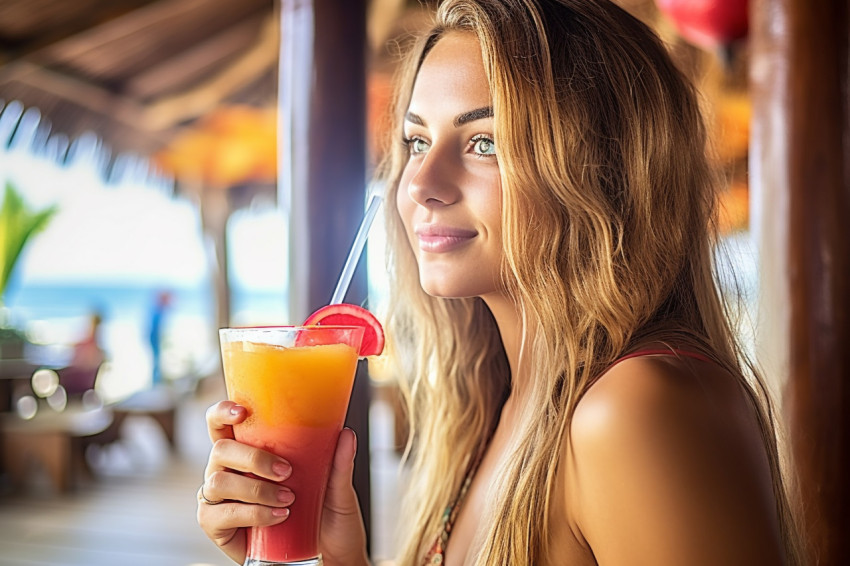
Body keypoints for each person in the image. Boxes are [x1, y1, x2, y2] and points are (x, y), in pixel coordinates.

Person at [197, 1, 804, 565]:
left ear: (604, 169)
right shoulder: (490, 404)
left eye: (484, 142)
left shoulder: (637, 408)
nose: (419, 183)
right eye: (417, 141)